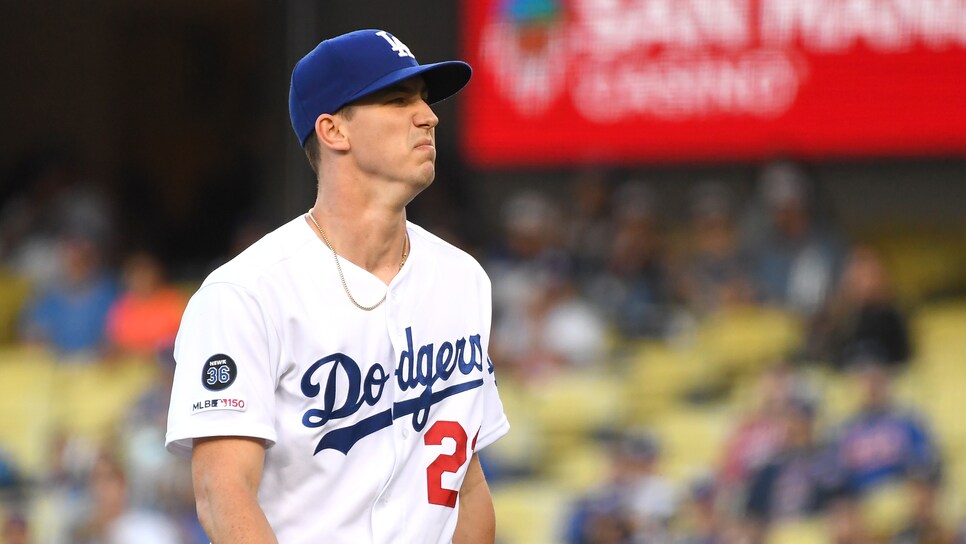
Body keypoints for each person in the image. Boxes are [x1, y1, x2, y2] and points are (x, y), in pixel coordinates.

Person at [165, 29, 510, 544]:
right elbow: (223, 491)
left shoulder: (464, 280)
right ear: (333, 131)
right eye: (398, 100)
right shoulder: (246, 292)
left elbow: (468, 483)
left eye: (424, 100)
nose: (429, 116)